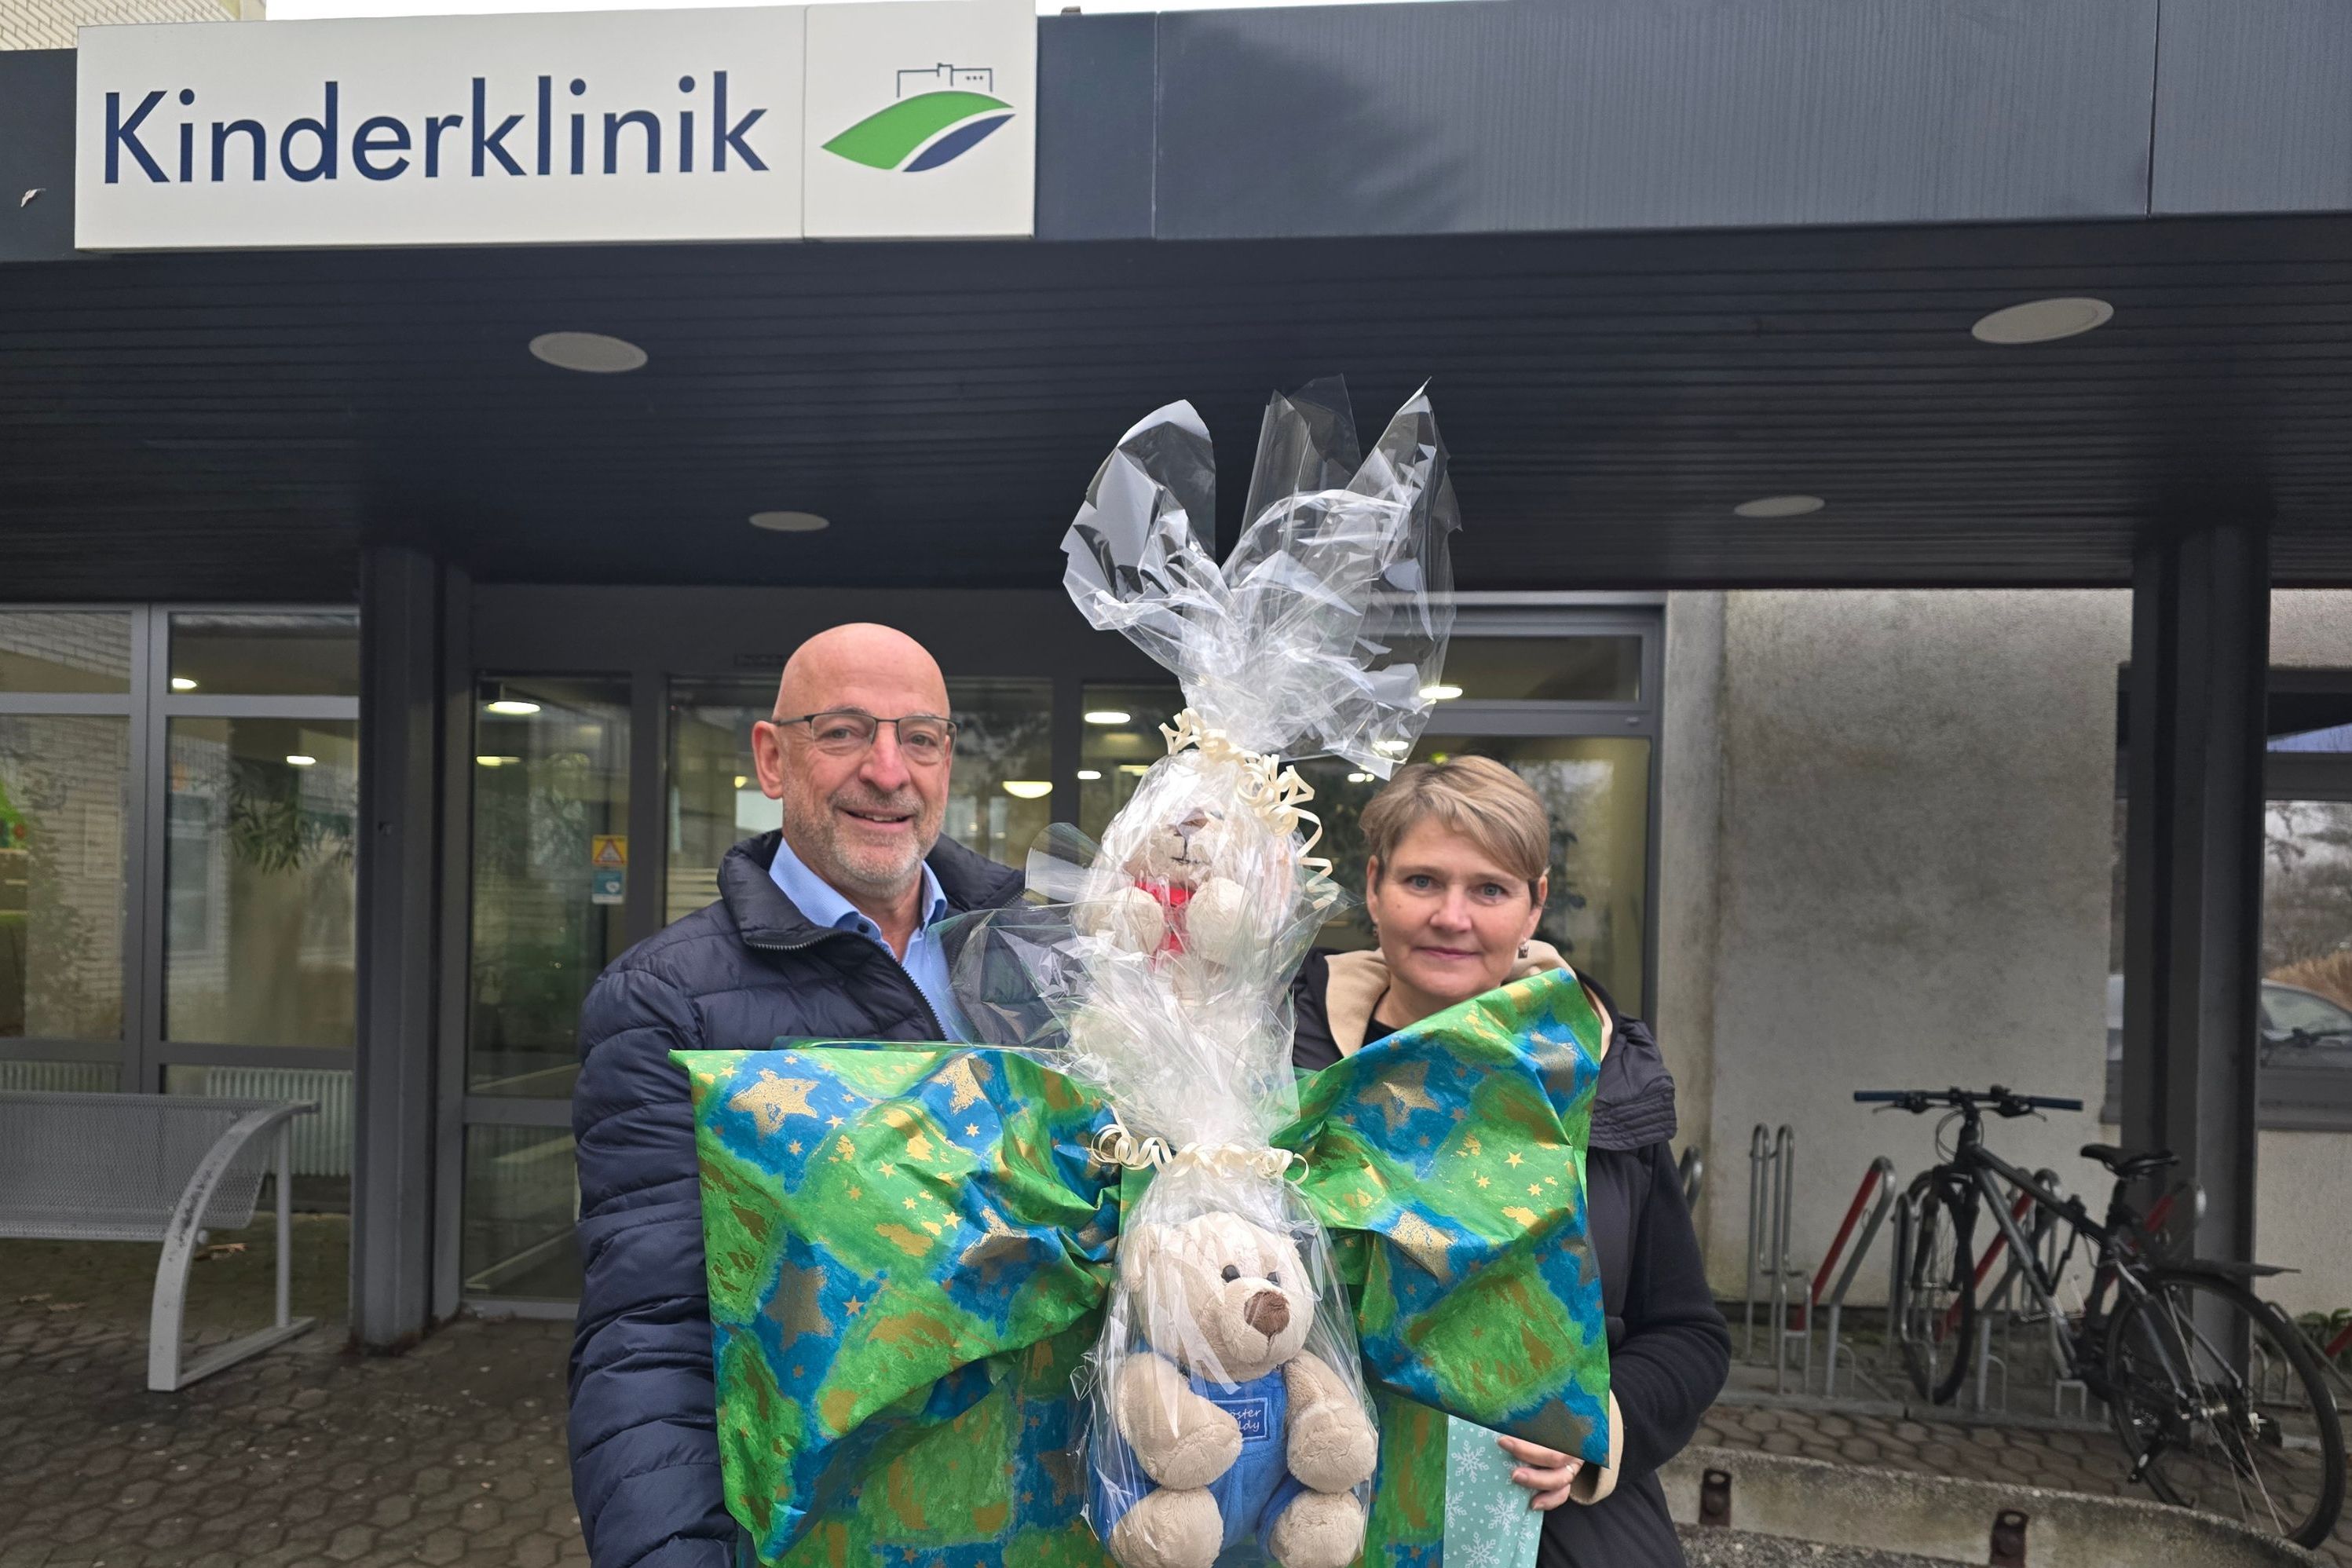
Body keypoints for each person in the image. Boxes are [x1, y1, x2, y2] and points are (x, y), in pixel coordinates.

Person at [567, 623, 1023, 1568]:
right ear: (773, 758)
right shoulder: (666, 1001)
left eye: (920, 738)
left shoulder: (1039, 958)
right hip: (813, 1529)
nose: (888, 771)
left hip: (1031, 1513)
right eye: (845, 731)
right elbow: (652, 1331)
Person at [1290, 755, 1729, 1568]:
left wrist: (1596, 1428)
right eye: (1422, 880)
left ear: (1535, 902)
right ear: (1375, 885)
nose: (1450, 916)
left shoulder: (1594, 1074)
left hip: (1541, 1519)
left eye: (1489, 888)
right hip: (1310, 1512)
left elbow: (1686, 1333)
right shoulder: (1284, 1066)